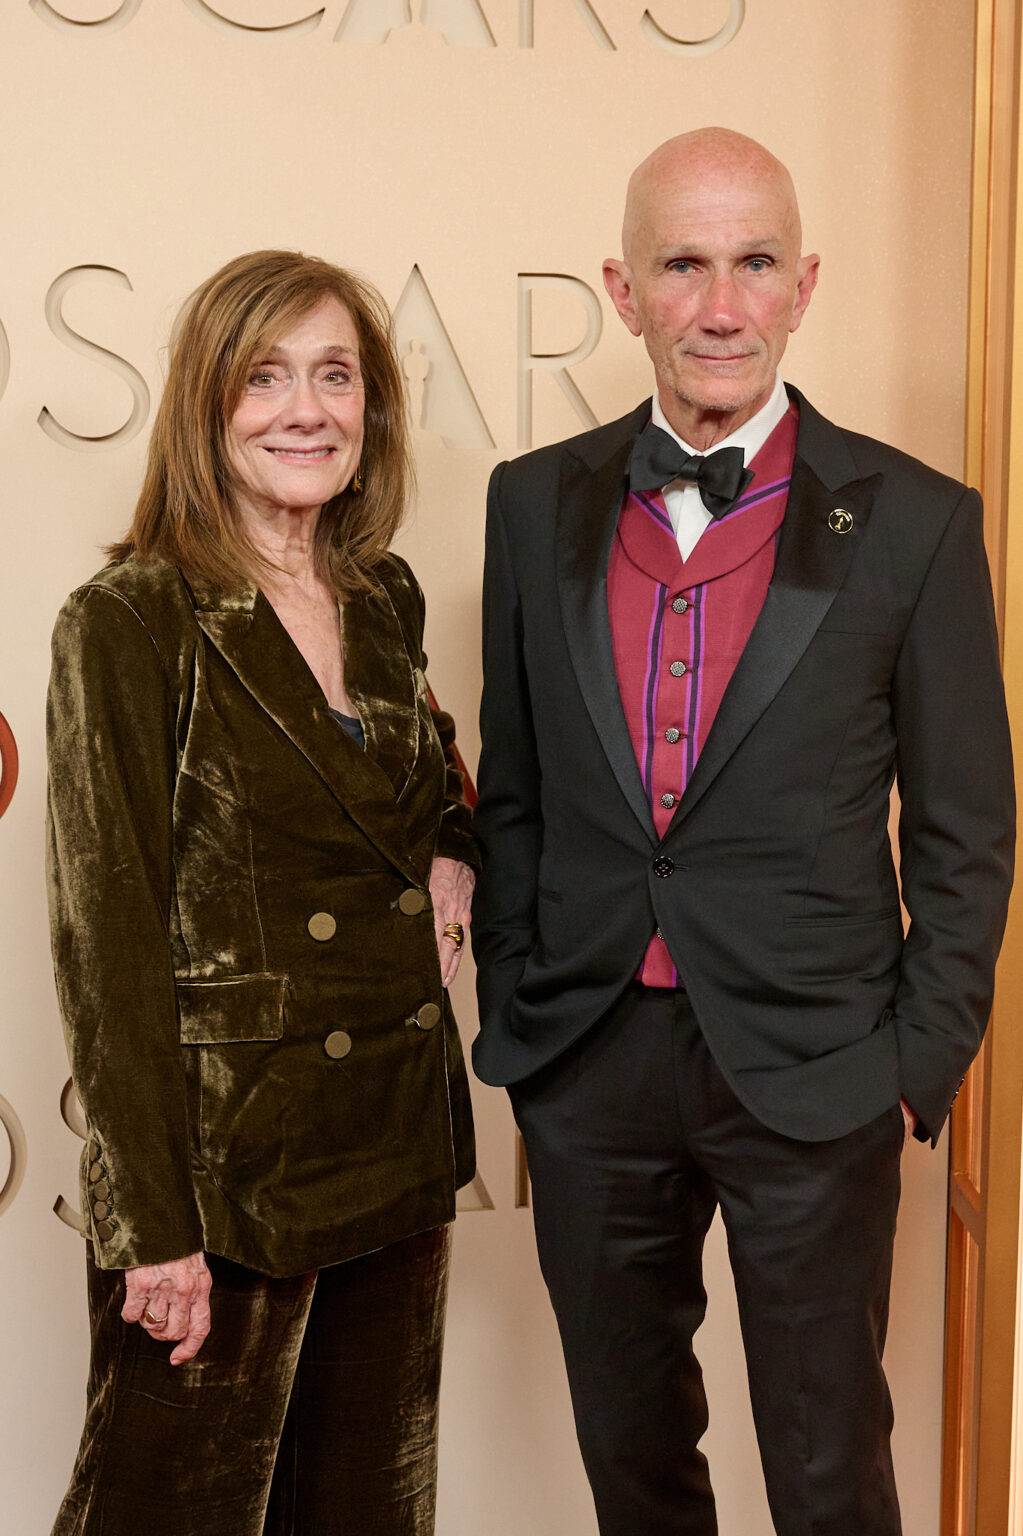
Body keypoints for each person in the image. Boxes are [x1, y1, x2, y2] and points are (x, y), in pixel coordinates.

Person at [471, 129, 1015, 1535]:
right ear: (624, 287)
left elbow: (964, 828)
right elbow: (516, 788)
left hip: (819, 1071)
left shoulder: (916, 524)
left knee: (827, 1467)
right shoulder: (530, 505)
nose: (719, 305)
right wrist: (525, 1027)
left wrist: (914, 1063)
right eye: (683, 264)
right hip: (589, 1060)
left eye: (753, 263)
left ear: (802, 285)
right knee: (631, 1461)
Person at [46, 249, 477, 1536]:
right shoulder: (128, 620)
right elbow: (104, 937)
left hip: (393, 1140)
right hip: (230, 1182)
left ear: (371, 406)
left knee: (365, 1514)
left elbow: (430, 783)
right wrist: (151, 1229)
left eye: (335, 375)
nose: (308, 409)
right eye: (267, 376)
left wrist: (458, 845)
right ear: (206, 406)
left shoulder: (383, 592)